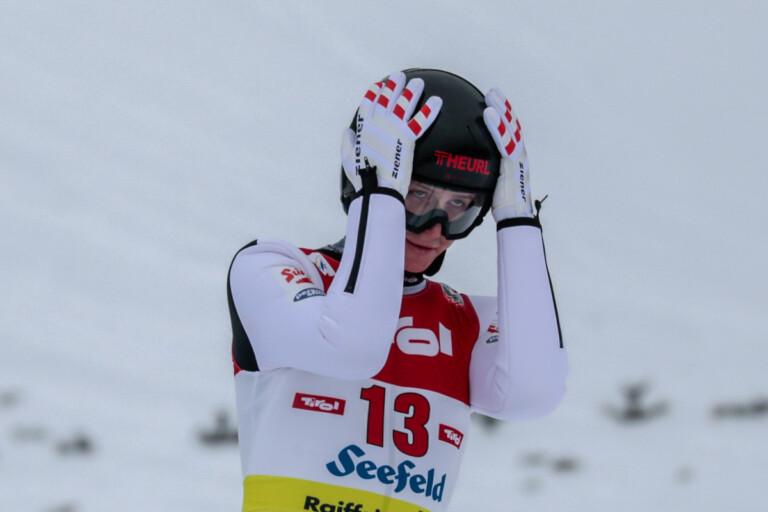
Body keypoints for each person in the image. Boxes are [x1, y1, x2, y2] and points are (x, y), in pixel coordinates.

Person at [227, 68, 568, 512]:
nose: (435, 227)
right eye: (416, 195)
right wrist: (378, 193)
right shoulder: (274, 267)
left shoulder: (466, 319)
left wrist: (519, 218)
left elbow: (534, 392)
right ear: (368, 185)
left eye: (460, 206)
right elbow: (352, 346)